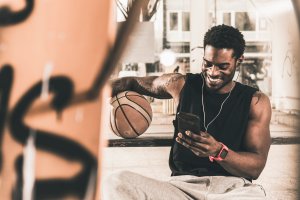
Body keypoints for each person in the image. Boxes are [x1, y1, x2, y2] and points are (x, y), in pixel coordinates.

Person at [103, 24, 271, 200]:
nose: (213, 72)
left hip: (232, 190)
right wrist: (88, 98)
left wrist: (218, 151)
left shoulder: (255, 101)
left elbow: (256, 167)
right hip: (182, 189)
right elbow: (130, 83)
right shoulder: (181, 85)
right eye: (208, 64)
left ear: (239, 60)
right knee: (116, 182)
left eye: (222, 66)